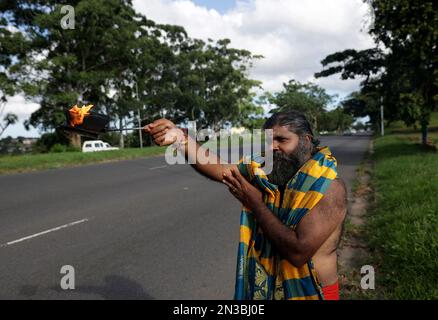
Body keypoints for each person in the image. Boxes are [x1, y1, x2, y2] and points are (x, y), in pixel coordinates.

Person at [143, 110, 347, 300]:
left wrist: (255, 203)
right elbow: (221, 168)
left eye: (282, 139)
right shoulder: (268, 173)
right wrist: (181, 138)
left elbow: (297, 253)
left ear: (306, 141)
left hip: (315, 293)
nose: (273, 147)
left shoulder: (329, 188)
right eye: (269, 141)